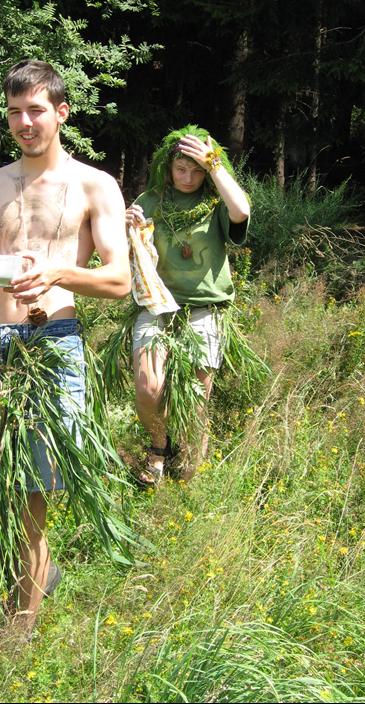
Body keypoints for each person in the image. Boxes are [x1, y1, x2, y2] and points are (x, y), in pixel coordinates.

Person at [0, 59, 131, 637]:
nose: (25, 122)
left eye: (36, 110)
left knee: (28, 503)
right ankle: (38, 575)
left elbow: (119, 280)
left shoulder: (96, 185)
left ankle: (19, 634)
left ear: (61, 113)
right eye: (15, 111)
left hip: (52, 348)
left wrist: (57, 273)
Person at [125, 125, 250, 486]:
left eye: (197, 170)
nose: (188, 178)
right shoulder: (151, 200)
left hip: (204, 309)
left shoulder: (216, 201)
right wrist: (127, 227)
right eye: (181, 169)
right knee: (148, 388)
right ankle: (158, 447)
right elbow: (131, 251)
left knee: (196, 397)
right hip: (156, 307)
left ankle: (189, 455)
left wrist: (214, 165)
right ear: (168, 167)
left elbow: (241, 211)